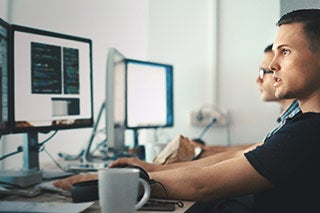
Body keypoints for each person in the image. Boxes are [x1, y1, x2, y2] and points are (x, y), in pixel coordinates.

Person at [54, 9, 320, 212]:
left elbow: (202, 184)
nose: (272, 64)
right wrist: (150, 170)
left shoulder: (310, 132)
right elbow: (246, 155)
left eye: (284, 52)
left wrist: (114, 182)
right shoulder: (301, 123)